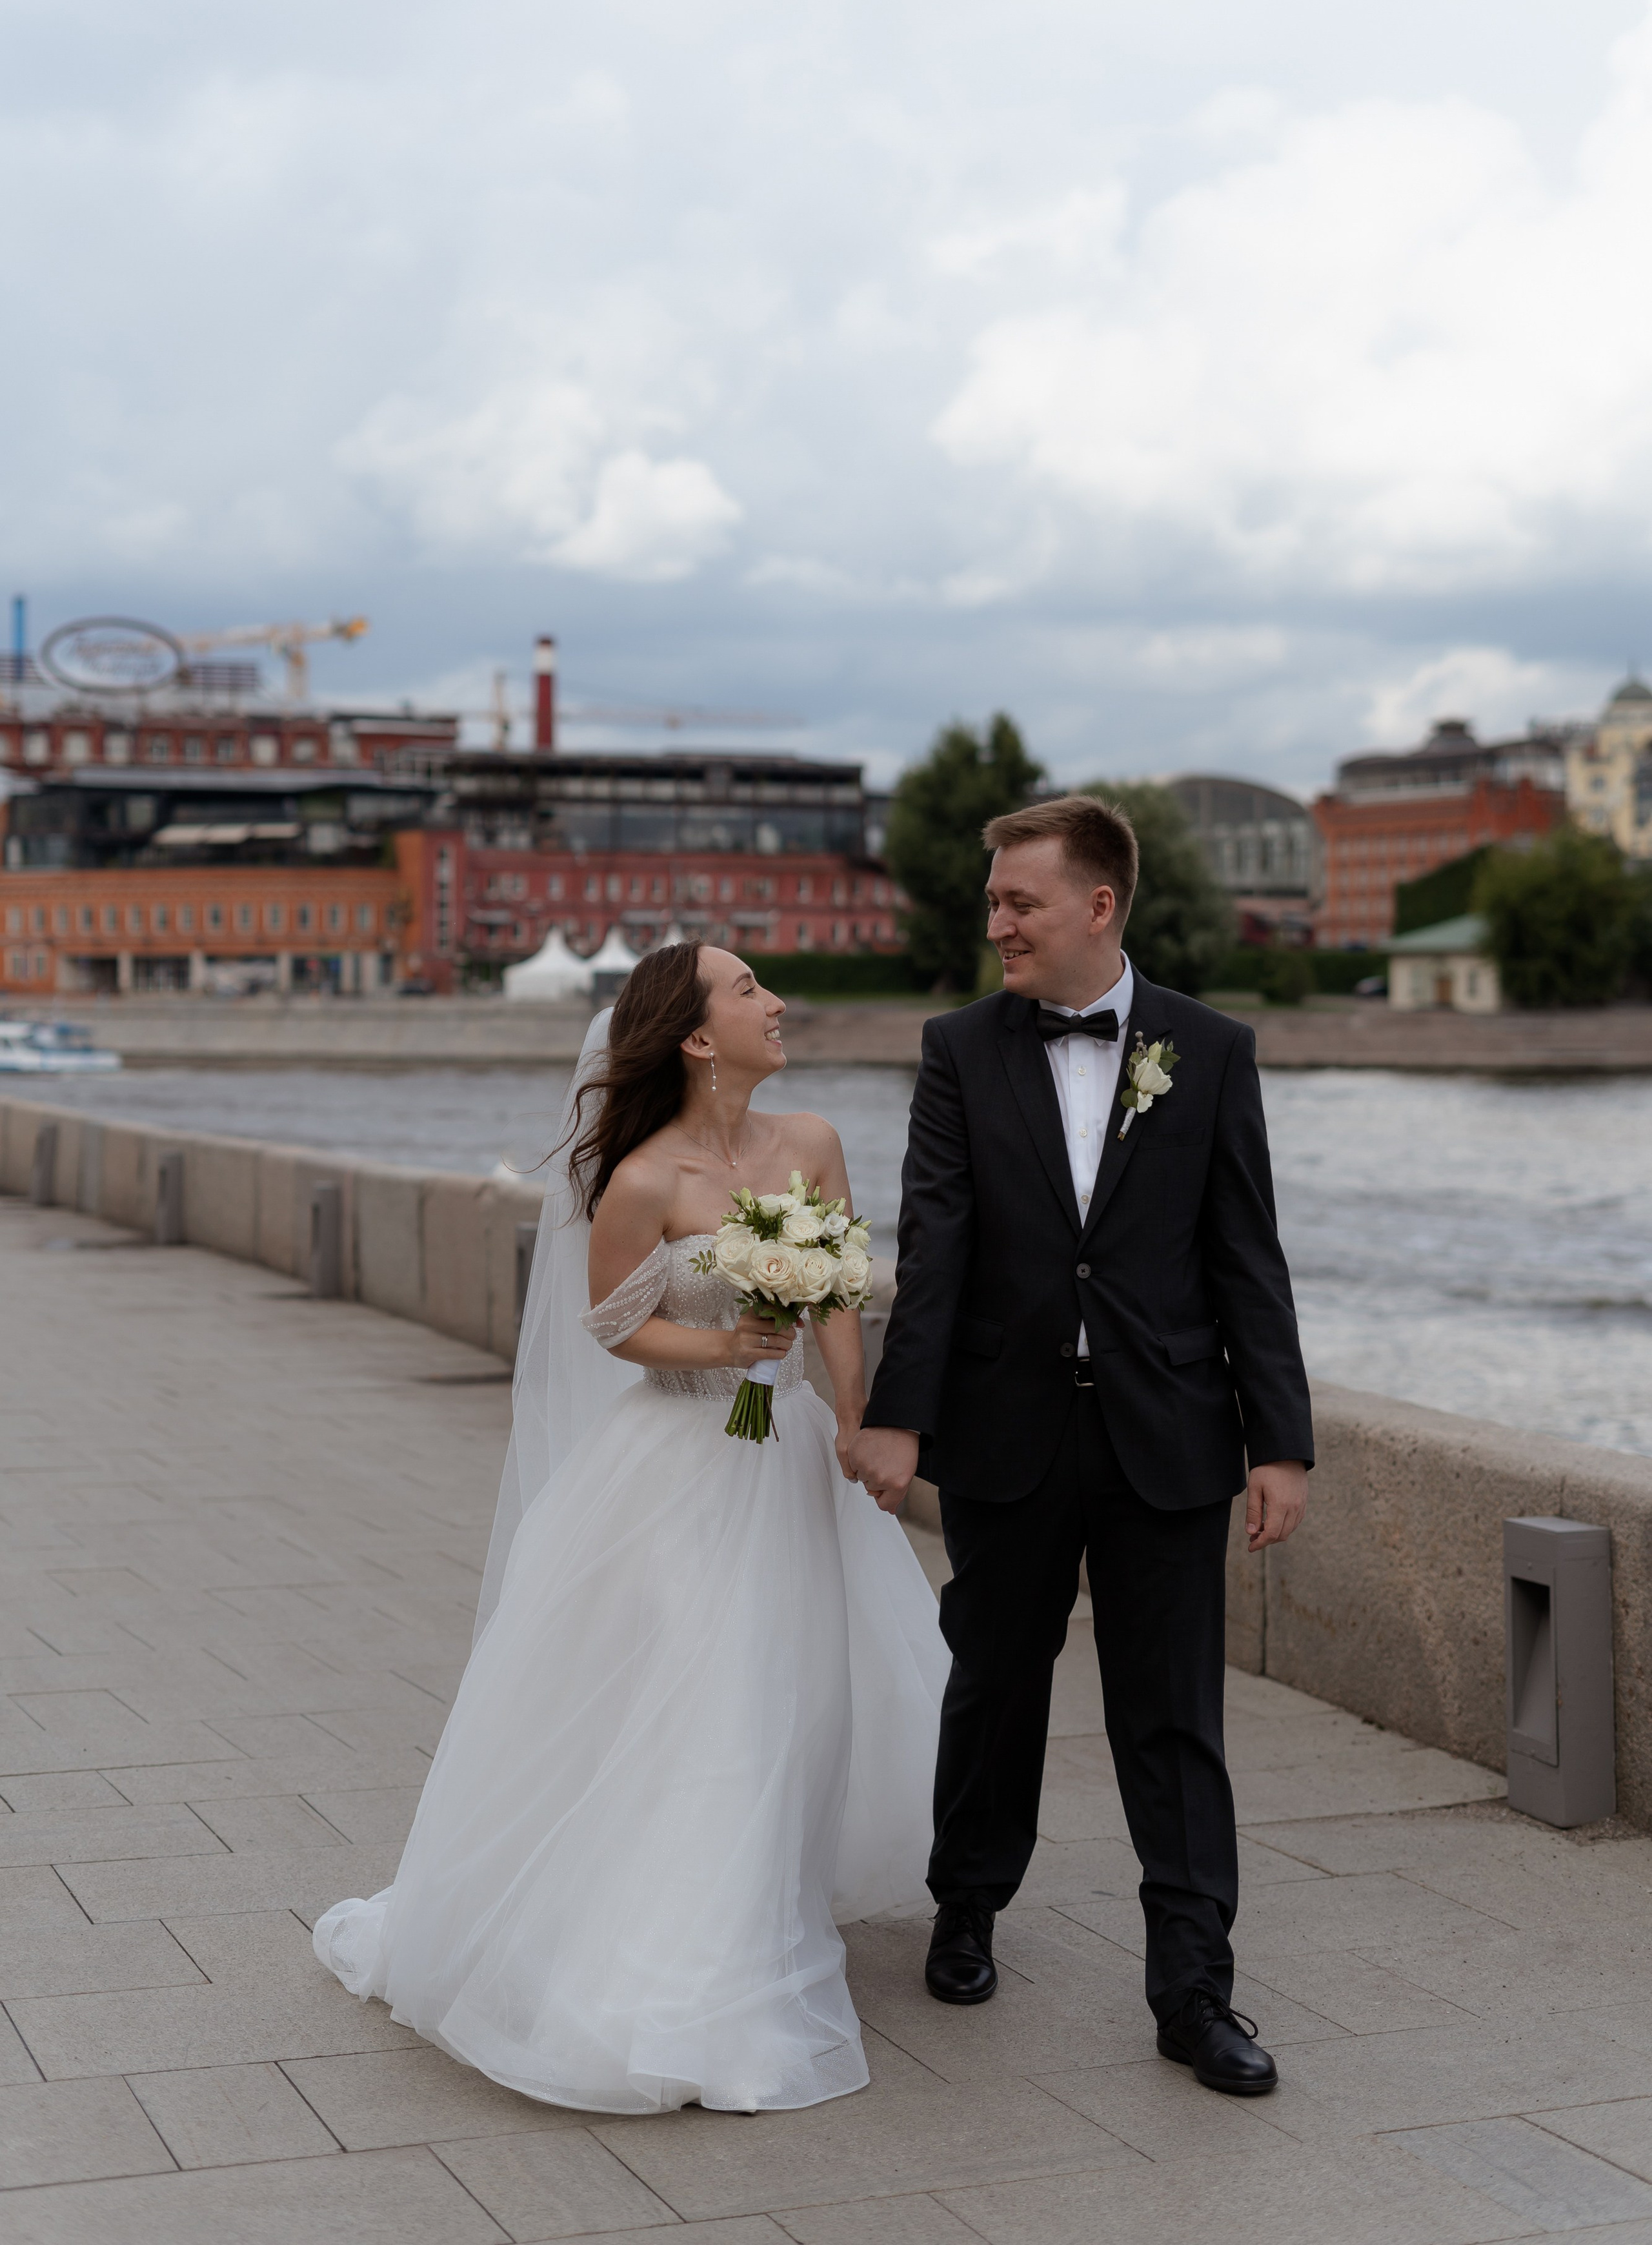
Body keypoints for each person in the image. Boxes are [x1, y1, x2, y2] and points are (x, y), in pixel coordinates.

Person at [314, 944, 947, 2116]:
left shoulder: (810, 1144)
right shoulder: (643, 1180)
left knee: (800, 1688)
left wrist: (861, 1428)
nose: (777, 1002)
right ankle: (688, 1953)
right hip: (679, 1464)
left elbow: (842, 1302)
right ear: (698, 1037)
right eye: (750, 989)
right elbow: (612, 1327)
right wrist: (727, 1347)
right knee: (713, 1692)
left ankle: (761, 1890)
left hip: (788, 1455)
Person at [847, 795, 1313, 2098]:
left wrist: (1278, 1441)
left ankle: (1193, 1992)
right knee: (991, 1687)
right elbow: (932, 1246)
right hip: (1006, 1432)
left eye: (1016, 901)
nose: (993, 919)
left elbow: (1244, 1255)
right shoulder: (954, 1049)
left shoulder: (1207, 1050)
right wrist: (897, 1412)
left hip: (1169, 1435)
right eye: (992, 900)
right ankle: (965, 1908)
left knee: (1172, 1719)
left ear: (1095, 907)